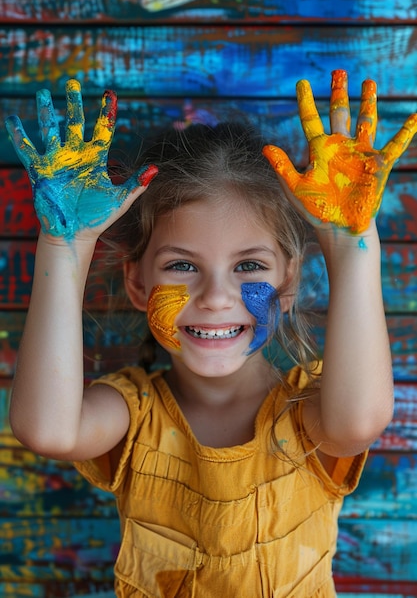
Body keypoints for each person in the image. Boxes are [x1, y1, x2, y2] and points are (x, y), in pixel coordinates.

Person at [6, 71, 417, 597]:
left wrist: (350, 243)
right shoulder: (131, 414)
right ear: (137, 283)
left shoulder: (309, 411)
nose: (216, 297)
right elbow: (48, 430)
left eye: (249, 267)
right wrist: (64, 248)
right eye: (182, 266)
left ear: (287, 282)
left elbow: (360, 420)